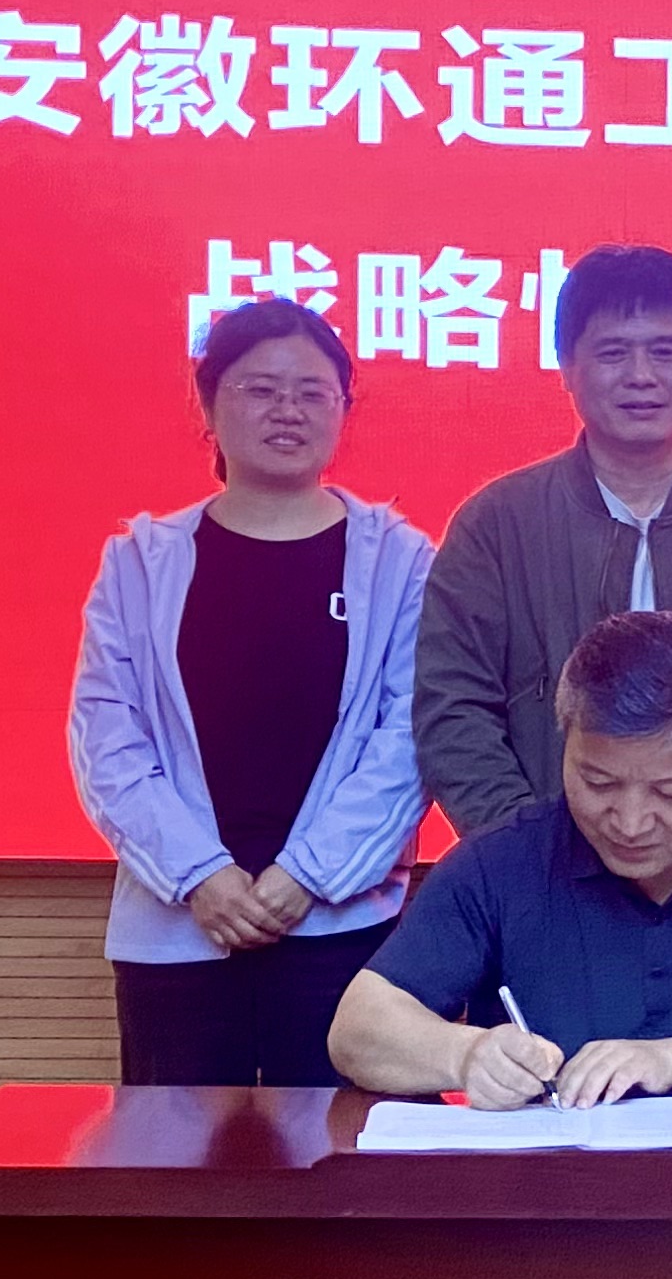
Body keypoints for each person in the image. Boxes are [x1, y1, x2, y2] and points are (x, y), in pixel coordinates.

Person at [72, 296, 433, 1084]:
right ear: (207, 406)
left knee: (342, 1150)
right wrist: (201, 875)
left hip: (341, 928)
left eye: (313, 393)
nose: (288, 411)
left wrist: (307, 876)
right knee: (178, 1156)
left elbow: (409, 737)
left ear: (343, 409)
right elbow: (107, 739)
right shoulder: (140, 563)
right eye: (260, 389)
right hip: (178, 930)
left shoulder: (400, 560)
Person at [331, 610, 672, 1109]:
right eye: (599, 783)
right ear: (566, 742)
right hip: (548, 1184)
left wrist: (668, 1060)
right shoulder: (503, 861)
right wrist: (466, 1054)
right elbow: (358, 1028)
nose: (630, 822)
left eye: (671, 793)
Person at [413, 242, 672, 840]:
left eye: (665, 351)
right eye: (613, 352)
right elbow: (453, 706)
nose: (640, 376)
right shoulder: (495, 524)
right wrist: (524, 848)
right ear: (566, 366)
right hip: (536, 859)